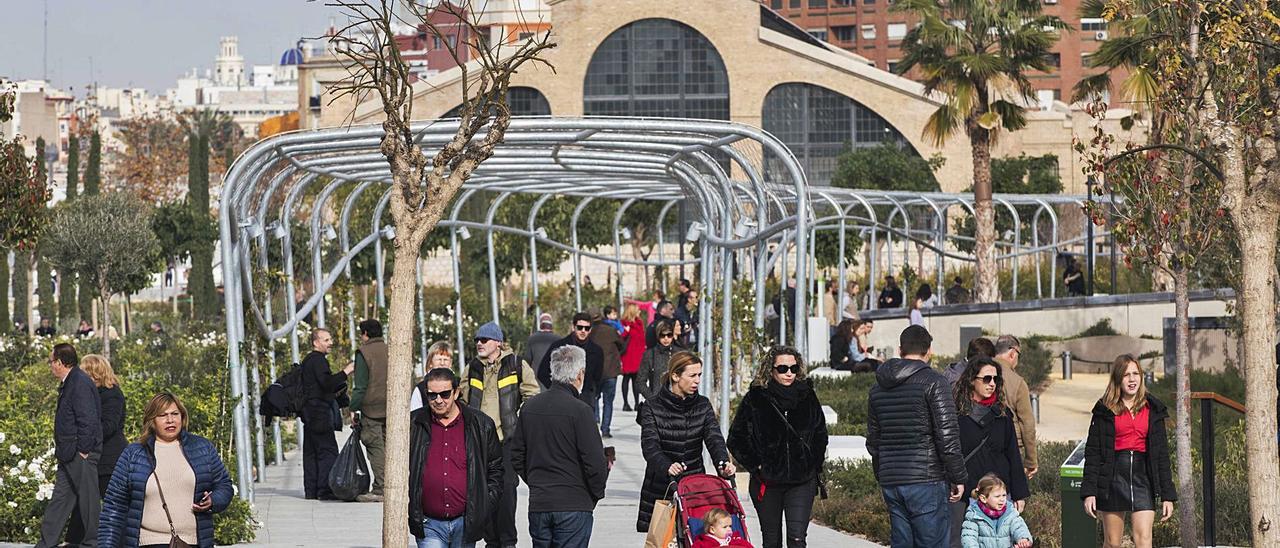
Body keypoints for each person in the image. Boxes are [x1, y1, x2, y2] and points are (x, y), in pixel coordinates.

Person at [867, 325, 966, 547]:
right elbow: (947, 435)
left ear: (900, 349)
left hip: (892, 479)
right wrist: (958, 477)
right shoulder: (934, 382)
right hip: (926, 478)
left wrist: (882, 472)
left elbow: (873, 439)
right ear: (929, 350)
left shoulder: (878, 388)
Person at [97, 392, 234, 548]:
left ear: (182, 417)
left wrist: (213, 500)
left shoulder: (202, 448)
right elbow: (114, 506)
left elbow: (224, 485)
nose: (170, 420)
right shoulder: (134, 454)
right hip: (149, 542)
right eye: (162, 415)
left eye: (175, 414)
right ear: (152, 421)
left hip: (193, 542)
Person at [727, 347, 828, 548]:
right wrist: (757, 465)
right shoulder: (756, 398)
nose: (789, 373)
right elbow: (736, 438)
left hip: (802, 481)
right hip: (767, 482)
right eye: (782, 368)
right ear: (771, 370)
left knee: (797, 539)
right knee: (771, 541)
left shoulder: (807, 396)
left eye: (793, 367)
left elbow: (820, 433)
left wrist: (813, 462)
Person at [509, 346, 610, 547]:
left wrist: (536, 481)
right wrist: (595, 494)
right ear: (580, 374)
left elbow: (517, 454)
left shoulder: (530, 407)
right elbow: (595, 462)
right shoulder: (581, 410)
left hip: (541, 502)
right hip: (574, 503)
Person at [1082, 355, 1176, 548]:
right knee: (1113, 542)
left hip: (1144, 480)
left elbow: (1162, 456)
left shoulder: (1153, 409)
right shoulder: (1104, 410)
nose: (1132, 379)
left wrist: (1168, 495)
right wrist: (1089, 492)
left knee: (1144, 539)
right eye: (1126, 375)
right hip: (1112, 479)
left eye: (1135, 374)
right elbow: (1093, 454)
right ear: (1117, 379)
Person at [636, 351, 735, 532]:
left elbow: (714, 438)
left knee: (696, 537)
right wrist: (667, 465)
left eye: (699, 375)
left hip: (694, 486)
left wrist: (723, 463)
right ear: (675, 376)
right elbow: (650, 445)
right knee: (665, 541)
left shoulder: (702, 405)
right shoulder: (652, 406)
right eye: (692, 376)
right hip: (661, 486)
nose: (697, 380)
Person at [408, 367, 503, 548]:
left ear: (456, 392)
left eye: (444, 394)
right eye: (432, 395)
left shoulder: (480, 424)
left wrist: (484, 505)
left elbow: (495, 469)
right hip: (429, 523)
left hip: (466, 522)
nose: (438, 400)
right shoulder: (414, 423)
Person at [464, 321, 539, 548]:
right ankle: (491, 541)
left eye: (484, 340)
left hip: (507, 440)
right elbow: (461, 399)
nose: (479, 343)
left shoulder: (516, 364)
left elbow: (532, 395)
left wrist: (521, 424)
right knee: (483, 493)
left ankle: (508, 542)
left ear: (497, 342)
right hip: (479, 442)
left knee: (507, 492)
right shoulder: (472, 368)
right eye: (477, 339)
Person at [949, 357, 1030, 548]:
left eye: (995, 379)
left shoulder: (1002, 413)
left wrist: (1019, 494)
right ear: (971, 380)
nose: (992, 384)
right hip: (966, 492)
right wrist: (953, 482)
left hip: (999, 492)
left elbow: (1013, 455)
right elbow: (950, 452)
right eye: (986, 379)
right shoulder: (957, 414)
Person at [35, 343, 103, 548]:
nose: (50, 366)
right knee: (60, 500)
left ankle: (94, 544)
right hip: (68, 454)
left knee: (89, 502)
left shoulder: (79, 382)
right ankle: (46, 544)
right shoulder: (71, 381)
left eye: (51, 361)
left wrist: (83, 450)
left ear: (60, 362)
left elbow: (88, 420)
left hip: (79, 453)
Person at [66, 355, 126, 547]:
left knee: (113, 506)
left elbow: (109, 425)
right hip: (90, 457)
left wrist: (82, 430)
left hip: (109, 459)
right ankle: (73, 541)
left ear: (95, 373)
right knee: (82, 502)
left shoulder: (112, 395)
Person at [300, 328, 355, 501]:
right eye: (326, 340)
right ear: (316, 342)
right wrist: (345, 372)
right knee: (327, 451)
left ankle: (312, 490)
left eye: (330, 339)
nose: (330, 343)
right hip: (319, 413)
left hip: (309, 413)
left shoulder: (308, 361)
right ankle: (325, 490)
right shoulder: (318, 361)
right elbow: (326, 383)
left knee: (311, 452)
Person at [348, 319, 389, 503]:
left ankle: (381, 489)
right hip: (392, 407)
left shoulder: (363, 353)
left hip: (371, 408)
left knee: (375, 447)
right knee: (391, 447)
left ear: (365, 334)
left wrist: (353, 408)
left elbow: (361, 385)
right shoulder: (392, 350)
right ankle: (396, 485)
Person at [993, 335, 1039, 480]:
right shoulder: (1017, 382)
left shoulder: (979, 372)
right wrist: (1031, 459)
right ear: (1013, 353)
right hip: (1011, 446)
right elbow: (1027, 423)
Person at [537, 313, 604, 407]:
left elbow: (598, 377)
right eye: (580, 327)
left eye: (587, 328)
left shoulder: (597, 351)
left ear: (590, 330)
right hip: (561, 399)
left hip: (586, 400)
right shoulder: (559, 347)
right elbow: (542, 372)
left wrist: (592, 394)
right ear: (573, 327)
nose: (583, 331)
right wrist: (555, 389)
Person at [961, 474, 1033, 548]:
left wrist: (1023, 539)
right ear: (983, 498)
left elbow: (1019, 527)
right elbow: (969, 537)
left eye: (1004, 495)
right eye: (997, 496)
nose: (1002, 499)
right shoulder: (974, 515)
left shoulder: (1010, 512)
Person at [590, 308, 625, 437]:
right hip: (611, 371)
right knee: (608, 402)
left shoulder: (590, 333)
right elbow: (622, 345)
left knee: (594, 399)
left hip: (595, 372)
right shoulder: (611, 331)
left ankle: (595, 422)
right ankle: (605, 429)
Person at [637, 320, 678, 401]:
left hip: (677, 404)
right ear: (658, 336)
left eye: (669, 335)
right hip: (657, 404)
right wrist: (652, 398)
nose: (666, 338)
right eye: (662, 335)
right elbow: (640, 381)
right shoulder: (650, 354)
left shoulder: (679, 354)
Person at [411, 341, 455, 412]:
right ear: (430, 362)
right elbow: (414, 414)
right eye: (439, 359)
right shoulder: (421, 389)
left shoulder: (458, 385)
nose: (442, 363)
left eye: (446, 360)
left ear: (451, 363)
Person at [619, 304, 647, 412]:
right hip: (627, 355)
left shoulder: (639, 324)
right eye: (638, 310)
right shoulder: (624, 324)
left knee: (636, 380)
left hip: (638, 355)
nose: (640, 312)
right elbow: (620, 337)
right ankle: (625, 403)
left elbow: (642, 339)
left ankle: (636, 403)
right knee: (626, 379)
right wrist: (626, 330)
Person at [524, 314, 559, 390]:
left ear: (540, 325)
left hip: (536, 383)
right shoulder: (558, 339)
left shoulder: (532, 339)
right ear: (551, 325)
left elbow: (527, 362)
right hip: (554, 383)